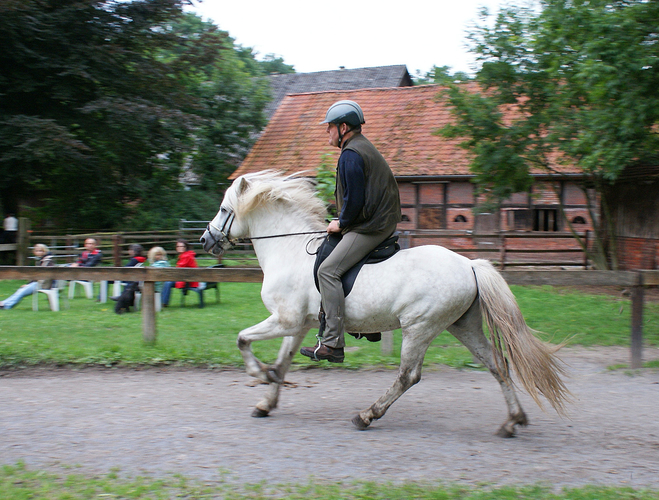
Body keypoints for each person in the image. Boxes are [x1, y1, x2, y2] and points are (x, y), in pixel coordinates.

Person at [300, 100, 401, 363]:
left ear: (343, 127)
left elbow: (354, 201)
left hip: (371, 226)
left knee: (328, 271)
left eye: (330, 127)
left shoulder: (351, 154)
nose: (327, 132)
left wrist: (340, 223)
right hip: (376, 220)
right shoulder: (360, 148)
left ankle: (332, 342)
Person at [0, 244, 55, 309]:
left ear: (45, 251)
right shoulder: (41, 260)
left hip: (44, 284)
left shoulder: (47, 261)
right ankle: (5, 304)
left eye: (40, 251)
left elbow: (43, 275)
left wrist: (30, 284)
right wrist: (29, 284)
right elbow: (36, 275)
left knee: (22, 291)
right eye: (37, 251)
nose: (38, 252)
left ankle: (5, 304)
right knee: (22, 290)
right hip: (39, 283)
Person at [161, 239, 199, 307]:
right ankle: (163, 302)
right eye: (178, 246)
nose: (179, 248)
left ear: (185, 247)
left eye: (181, 246)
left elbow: (179, 270)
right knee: (167, 281)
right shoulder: (186, 255)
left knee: (168, 282)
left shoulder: (186, 256)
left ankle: (163, 303)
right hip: (187, 278)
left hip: (188, 280)